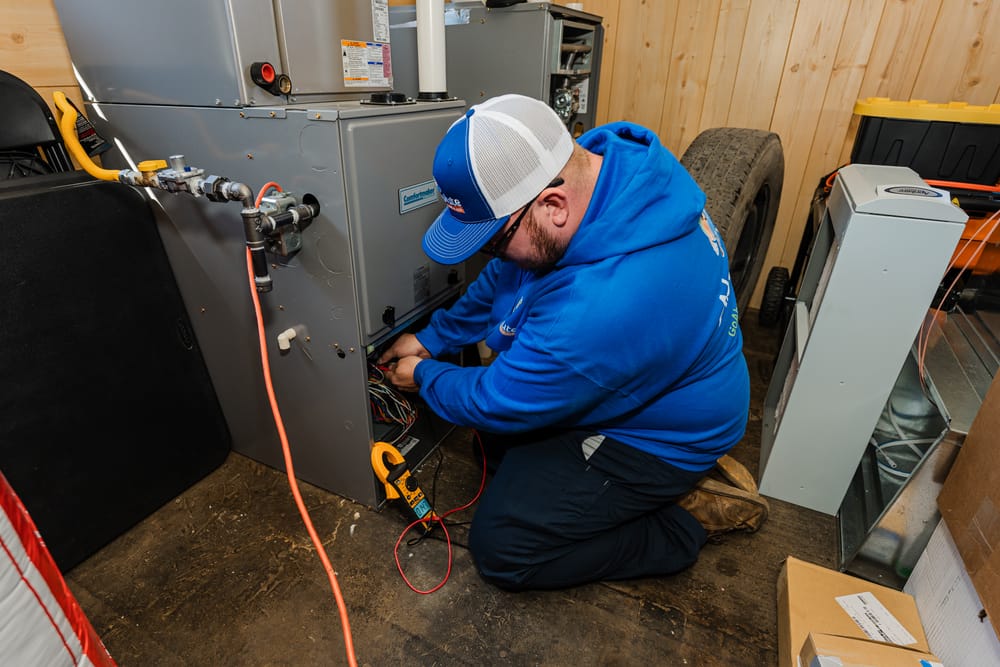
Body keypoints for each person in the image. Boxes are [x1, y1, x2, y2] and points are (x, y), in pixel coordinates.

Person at [379, 94, 768, 591]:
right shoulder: (605, 171)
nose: (491, 255)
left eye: (494, 240)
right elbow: (505, 275)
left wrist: (424, 375)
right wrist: (433, 339)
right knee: (494, 450)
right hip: (641, 377)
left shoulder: (601, 306)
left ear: (553, 205)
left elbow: (496, 399)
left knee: (503, 548)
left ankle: (684, 521)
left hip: (664, 435)